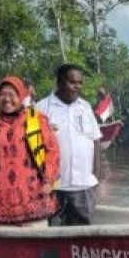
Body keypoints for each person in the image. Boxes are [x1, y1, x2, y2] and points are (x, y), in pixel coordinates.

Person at [0, 76, 60, 227]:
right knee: (5, 248)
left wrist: (49, 179)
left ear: (21, 95)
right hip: (1, 202)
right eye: (2, 94)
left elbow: (53, 151)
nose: (7, 99)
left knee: (36, 247)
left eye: (11, 94)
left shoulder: (37, 118)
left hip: (35, 198)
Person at [35, 64, 103, 225]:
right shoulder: (41, 108)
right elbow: (32, 148)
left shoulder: (85, 107)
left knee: (84, 235)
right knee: (53, 234)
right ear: (59, 82)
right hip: (53, 187)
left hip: (84, 186)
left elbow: (96, 140)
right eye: (72, 82)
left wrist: (97, 176)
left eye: (80, 83)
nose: (77, 87)